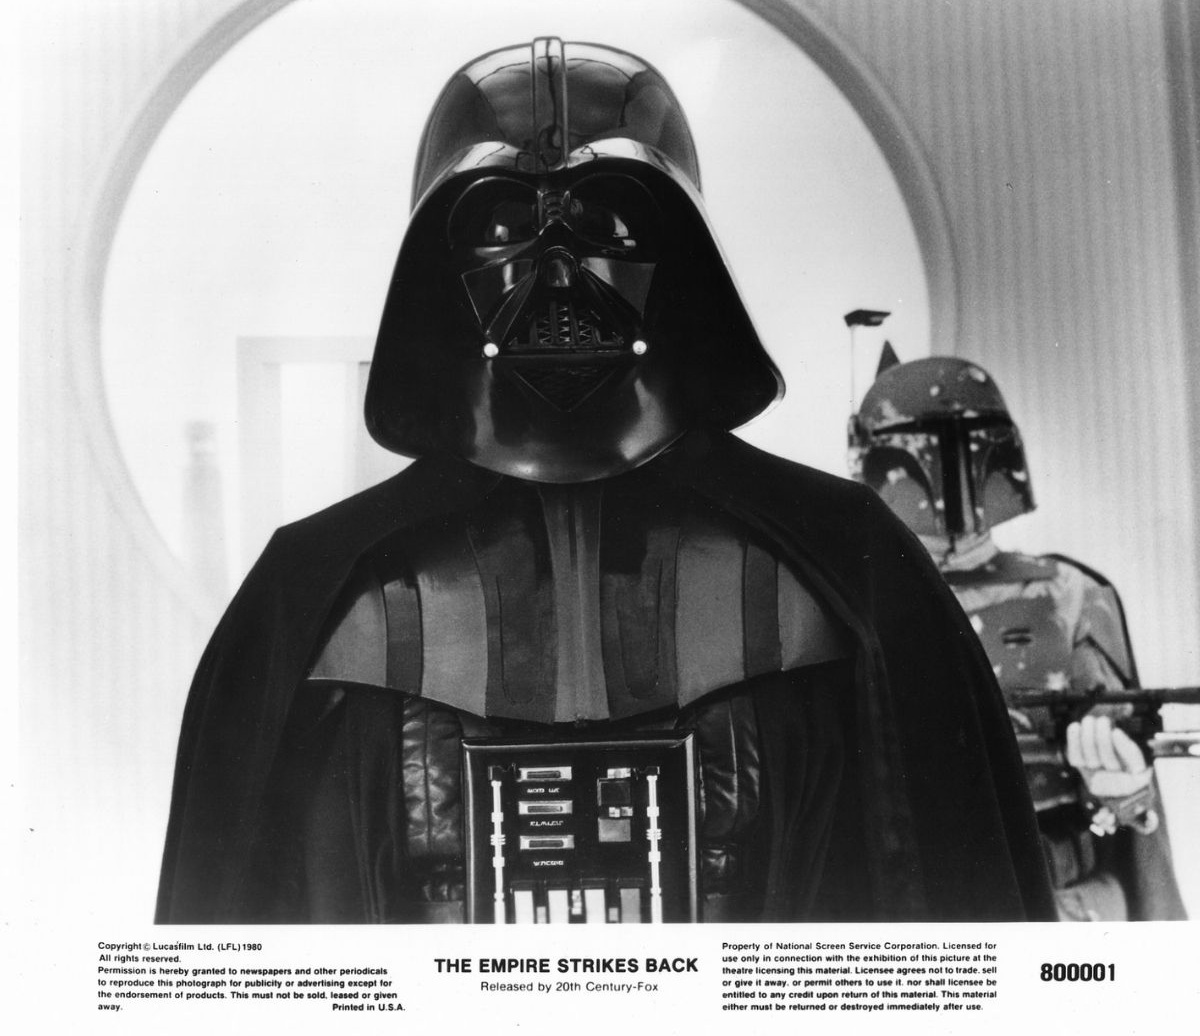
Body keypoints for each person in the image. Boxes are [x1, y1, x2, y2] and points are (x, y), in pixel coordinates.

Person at [156, 39, 1052, 924]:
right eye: (500, 223)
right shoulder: (313, 586)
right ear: (437, 262)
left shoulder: (847, 557)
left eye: (609, 219)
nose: (557, 271)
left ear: (684, 253)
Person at [849, 352, 1186, 920]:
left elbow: (1129, 798)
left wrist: (1124, 792)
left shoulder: (1068, 592)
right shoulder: (849, 602)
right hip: (915, 908)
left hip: (1060, 900)